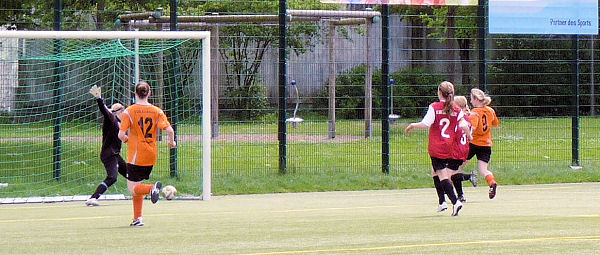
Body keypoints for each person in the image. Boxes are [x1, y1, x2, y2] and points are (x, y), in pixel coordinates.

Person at [405, 81, 468, 216]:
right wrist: (469, 136)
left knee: (442, 176)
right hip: (449, 147)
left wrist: (413, 125)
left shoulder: (434, 107)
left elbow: (426, 124)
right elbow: (464, 125)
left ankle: (455, 202)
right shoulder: (456, 109)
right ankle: (442, 202)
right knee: (435, 171)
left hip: (436, 147)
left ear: (439, 93)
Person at [118, 81, 177, 227]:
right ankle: (138, 219)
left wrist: (126, 140)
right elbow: (169, 130)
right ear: (149, 93)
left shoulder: (129, 111)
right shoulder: (157, 111)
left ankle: (152, 189)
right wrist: (172, 142)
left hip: (136, 155)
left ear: (135, 93)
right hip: (151, 154)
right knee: (137, 186)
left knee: (133, 188)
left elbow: (120, 134)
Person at [86, 85, 128, 206]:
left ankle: (142, 191)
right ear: (117, 112)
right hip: (109, 154)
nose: (124, 113)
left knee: (130, 174)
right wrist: (99, 99)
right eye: (122, 111)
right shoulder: (112, 119)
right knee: (112, 177)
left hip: (115, 154)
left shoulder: (120, 123)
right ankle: (93, 198)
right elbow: (104, 110)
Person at [461, 88, 500, 199]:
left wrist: (468, 134)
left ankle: (453, 191)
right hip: (486, 144)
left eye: (471, 98)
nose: (470, 101)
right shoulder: (490, 111)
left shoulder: (475, 113)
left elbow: (472, 127)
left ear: (476, 99)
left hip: (473, 144)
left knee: (458, 167)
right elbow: (495, 124)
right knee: (483, 170)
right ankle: (492, 183)